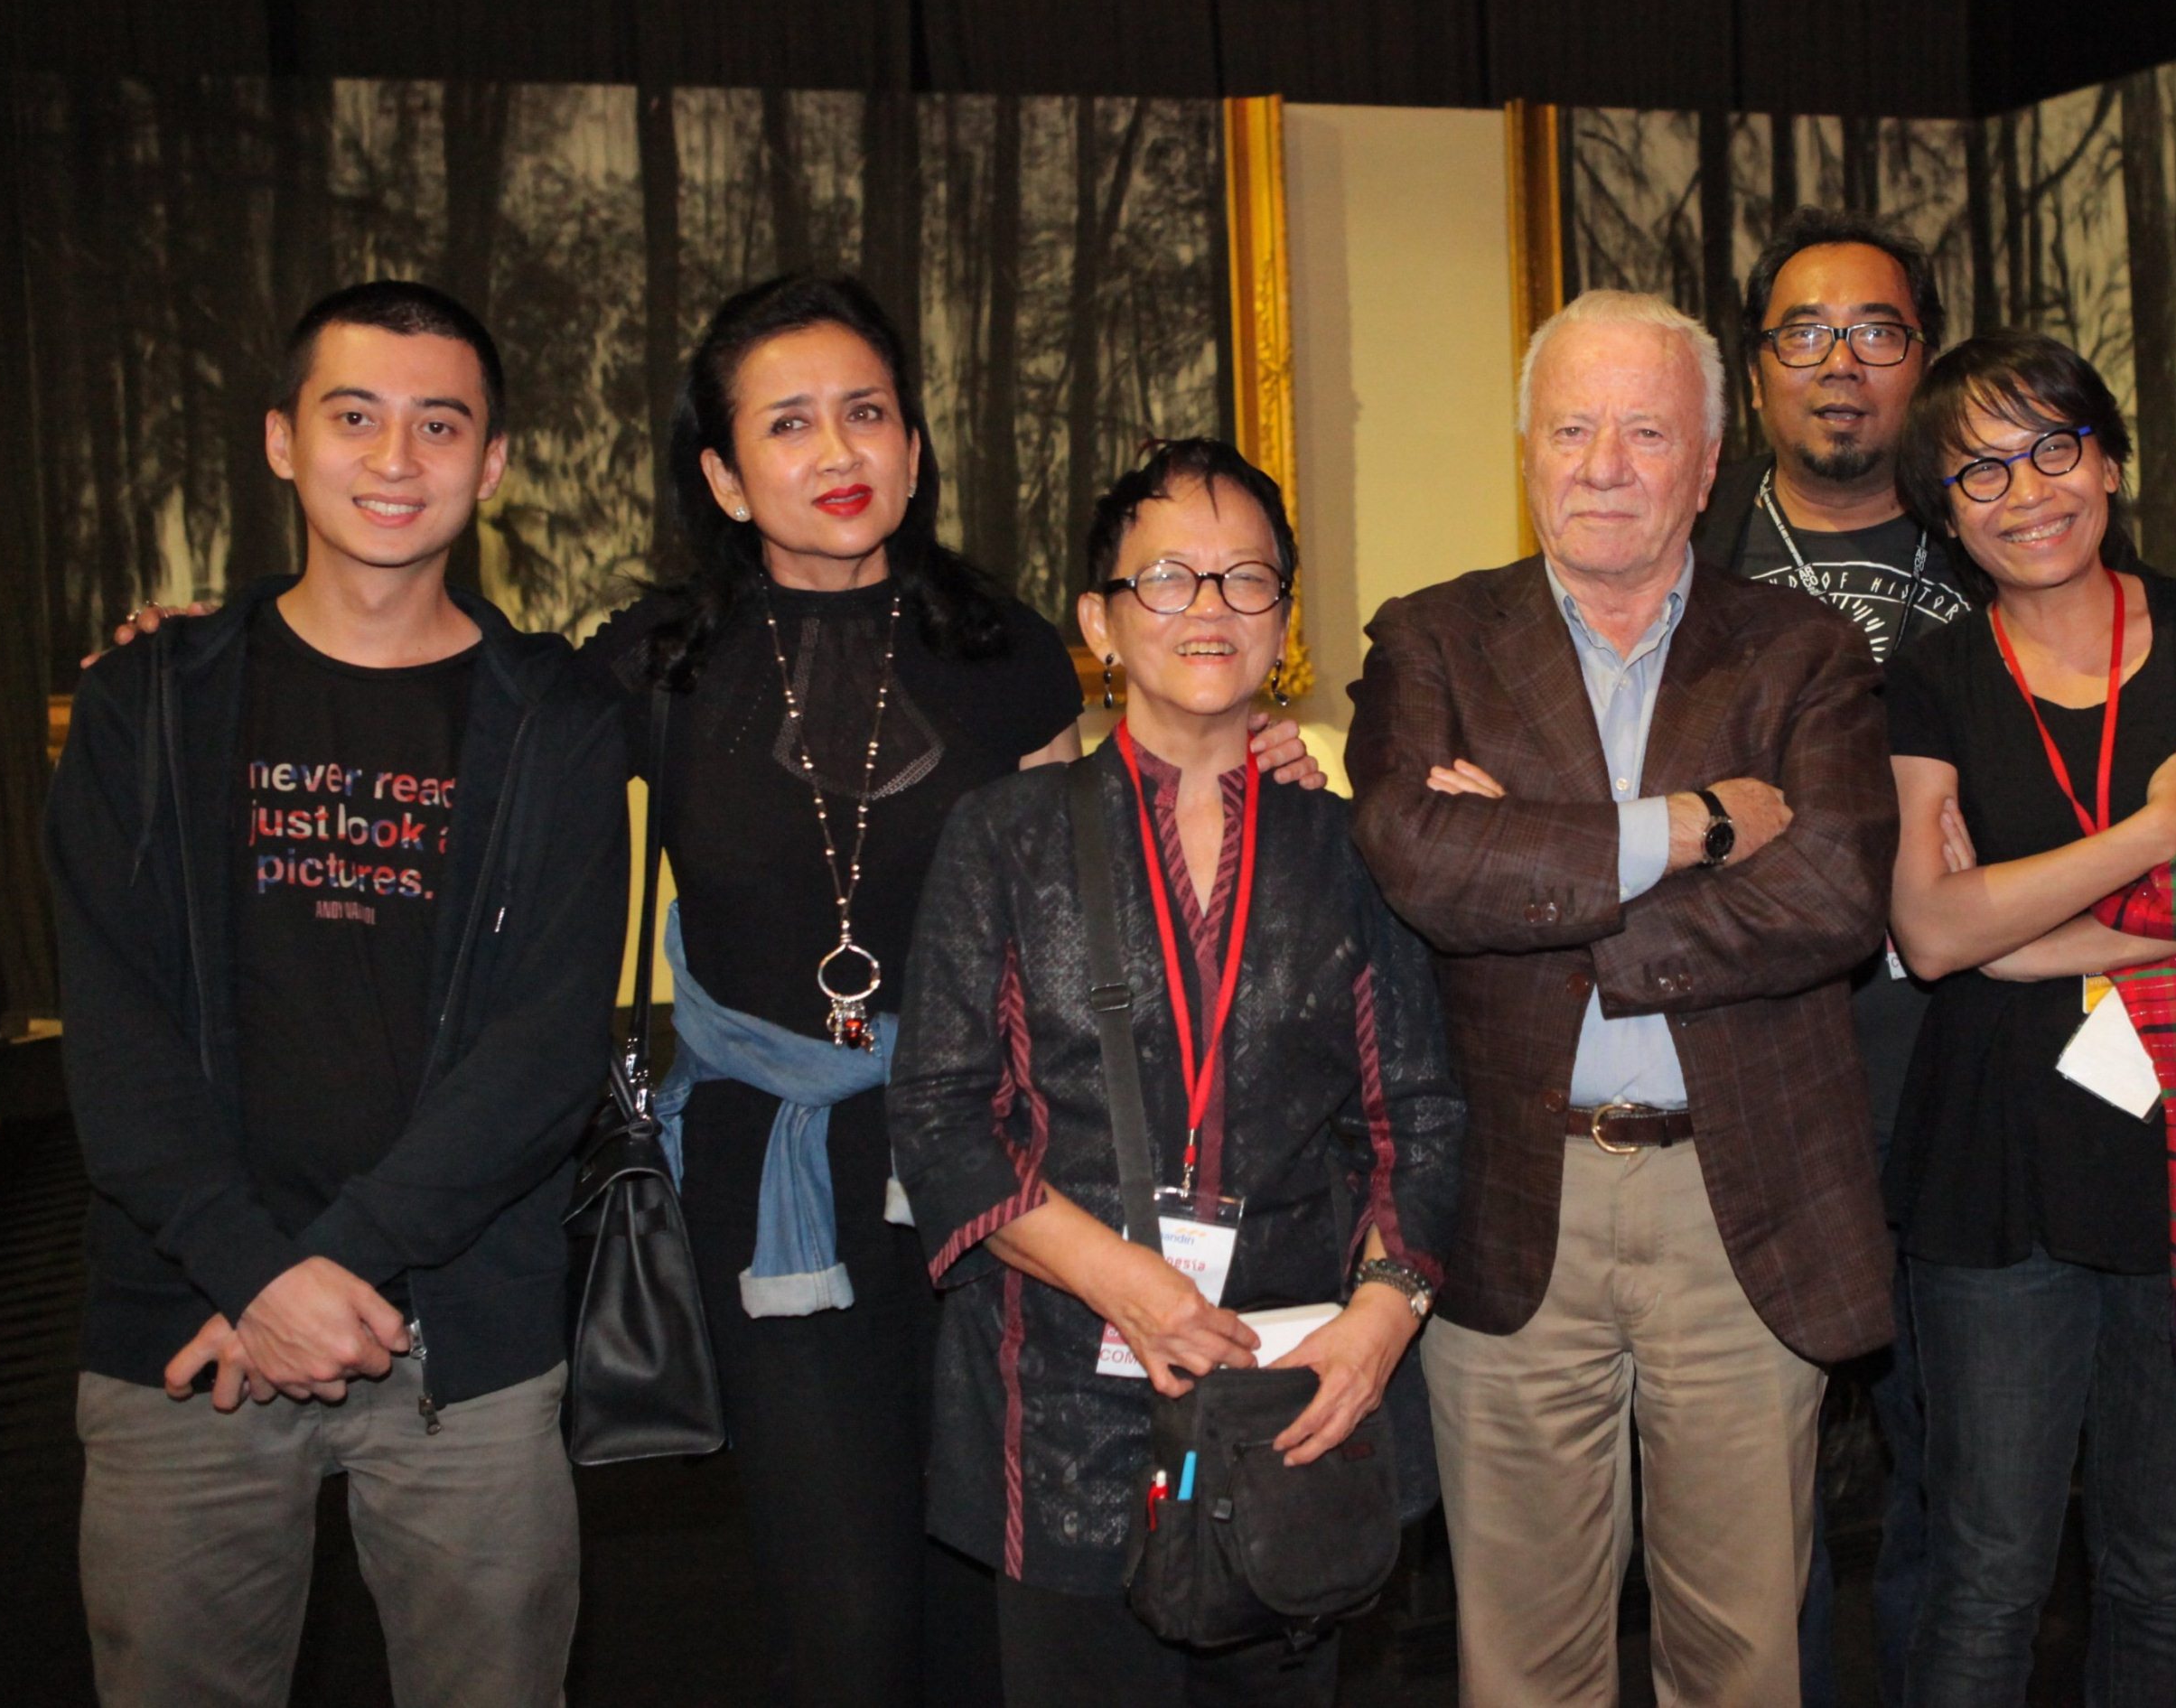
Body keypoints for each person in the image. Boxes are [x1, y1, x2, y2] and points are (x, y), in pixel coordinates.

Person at [581, 276, 1321, 1705]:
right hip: (777, 1176)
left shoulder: (1010, 656)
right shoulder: (653, 667)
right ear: (726, 476)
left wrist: (1253, 763)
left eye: (867, 413)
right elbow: (455, 708)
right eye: (788, 426)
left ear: (916, 453)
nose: (839, 452)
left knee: (1007, 1589)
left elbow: (1126, 831)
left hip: (1004, 1162)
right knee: (845, 1611)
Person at [46, 282, 627, 1708]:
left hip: (464, 1340)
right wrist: (252, 1275)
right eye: (353, 416)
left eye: (441, 425)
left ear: (490, 466)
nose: (394, 458)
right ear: (282, 443)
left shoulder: (554, 722)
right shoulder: (149, 705)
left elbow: (545, 1049)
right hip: (185, 1328)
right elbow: (112, 1038)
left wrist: (336, 1271)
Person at [1345, 287, 1900, 1708]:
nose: (1604, 464)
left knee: (1741, 1657)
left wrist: (1533, 861)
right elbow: (1417, 862)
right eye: (1573, 428)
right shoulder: (1433, 640)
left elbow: (1833, 897)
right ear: (1526, 451)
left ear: (1705, 467)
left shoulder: (1803, 652)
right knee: (1523, 1665)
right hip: (1512, 1199)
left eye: (1644, 431)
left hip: (1740, 1203)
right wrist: (1694, 827)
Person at [891, 439, 1463, 1707]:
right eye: (1166, 579)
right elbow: (939, 1117)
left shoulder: (1350, 849)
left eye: (1244, 579)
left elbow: (1414, 1117)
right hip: (1060, 1395)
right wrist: (1127, 1284)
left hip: (1291, 1398)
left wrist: (1380, 1326)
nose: (1208, 608)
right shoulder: (1002, 836)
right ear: (1099, 619)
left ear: (1284, 619)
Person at [1882, 331, 2176, 1708]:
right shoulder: (1933, 671)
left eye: (2050, 449)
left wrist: (2017, 935)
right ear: (1945, 514)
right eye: (1977, 472)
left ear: (2109, 460)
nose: (2023, 492)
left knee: (2158, 1565)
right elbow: (1925, 928)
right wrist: (2154, 831)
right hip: (1995, 1176)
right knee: (1990, 1570)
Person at [1691, 208, 1970, 1708]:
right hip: (1757, 1076)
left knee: (1953, 1460)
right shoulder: (1689, 549)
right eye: (1805, 334)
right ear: (1756, 372)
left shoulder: (2001, 530)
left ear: (1919, 361)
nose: (1840, 365)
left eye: (1876, 332)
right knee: (1755, 1481)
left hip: (1955, 1068)